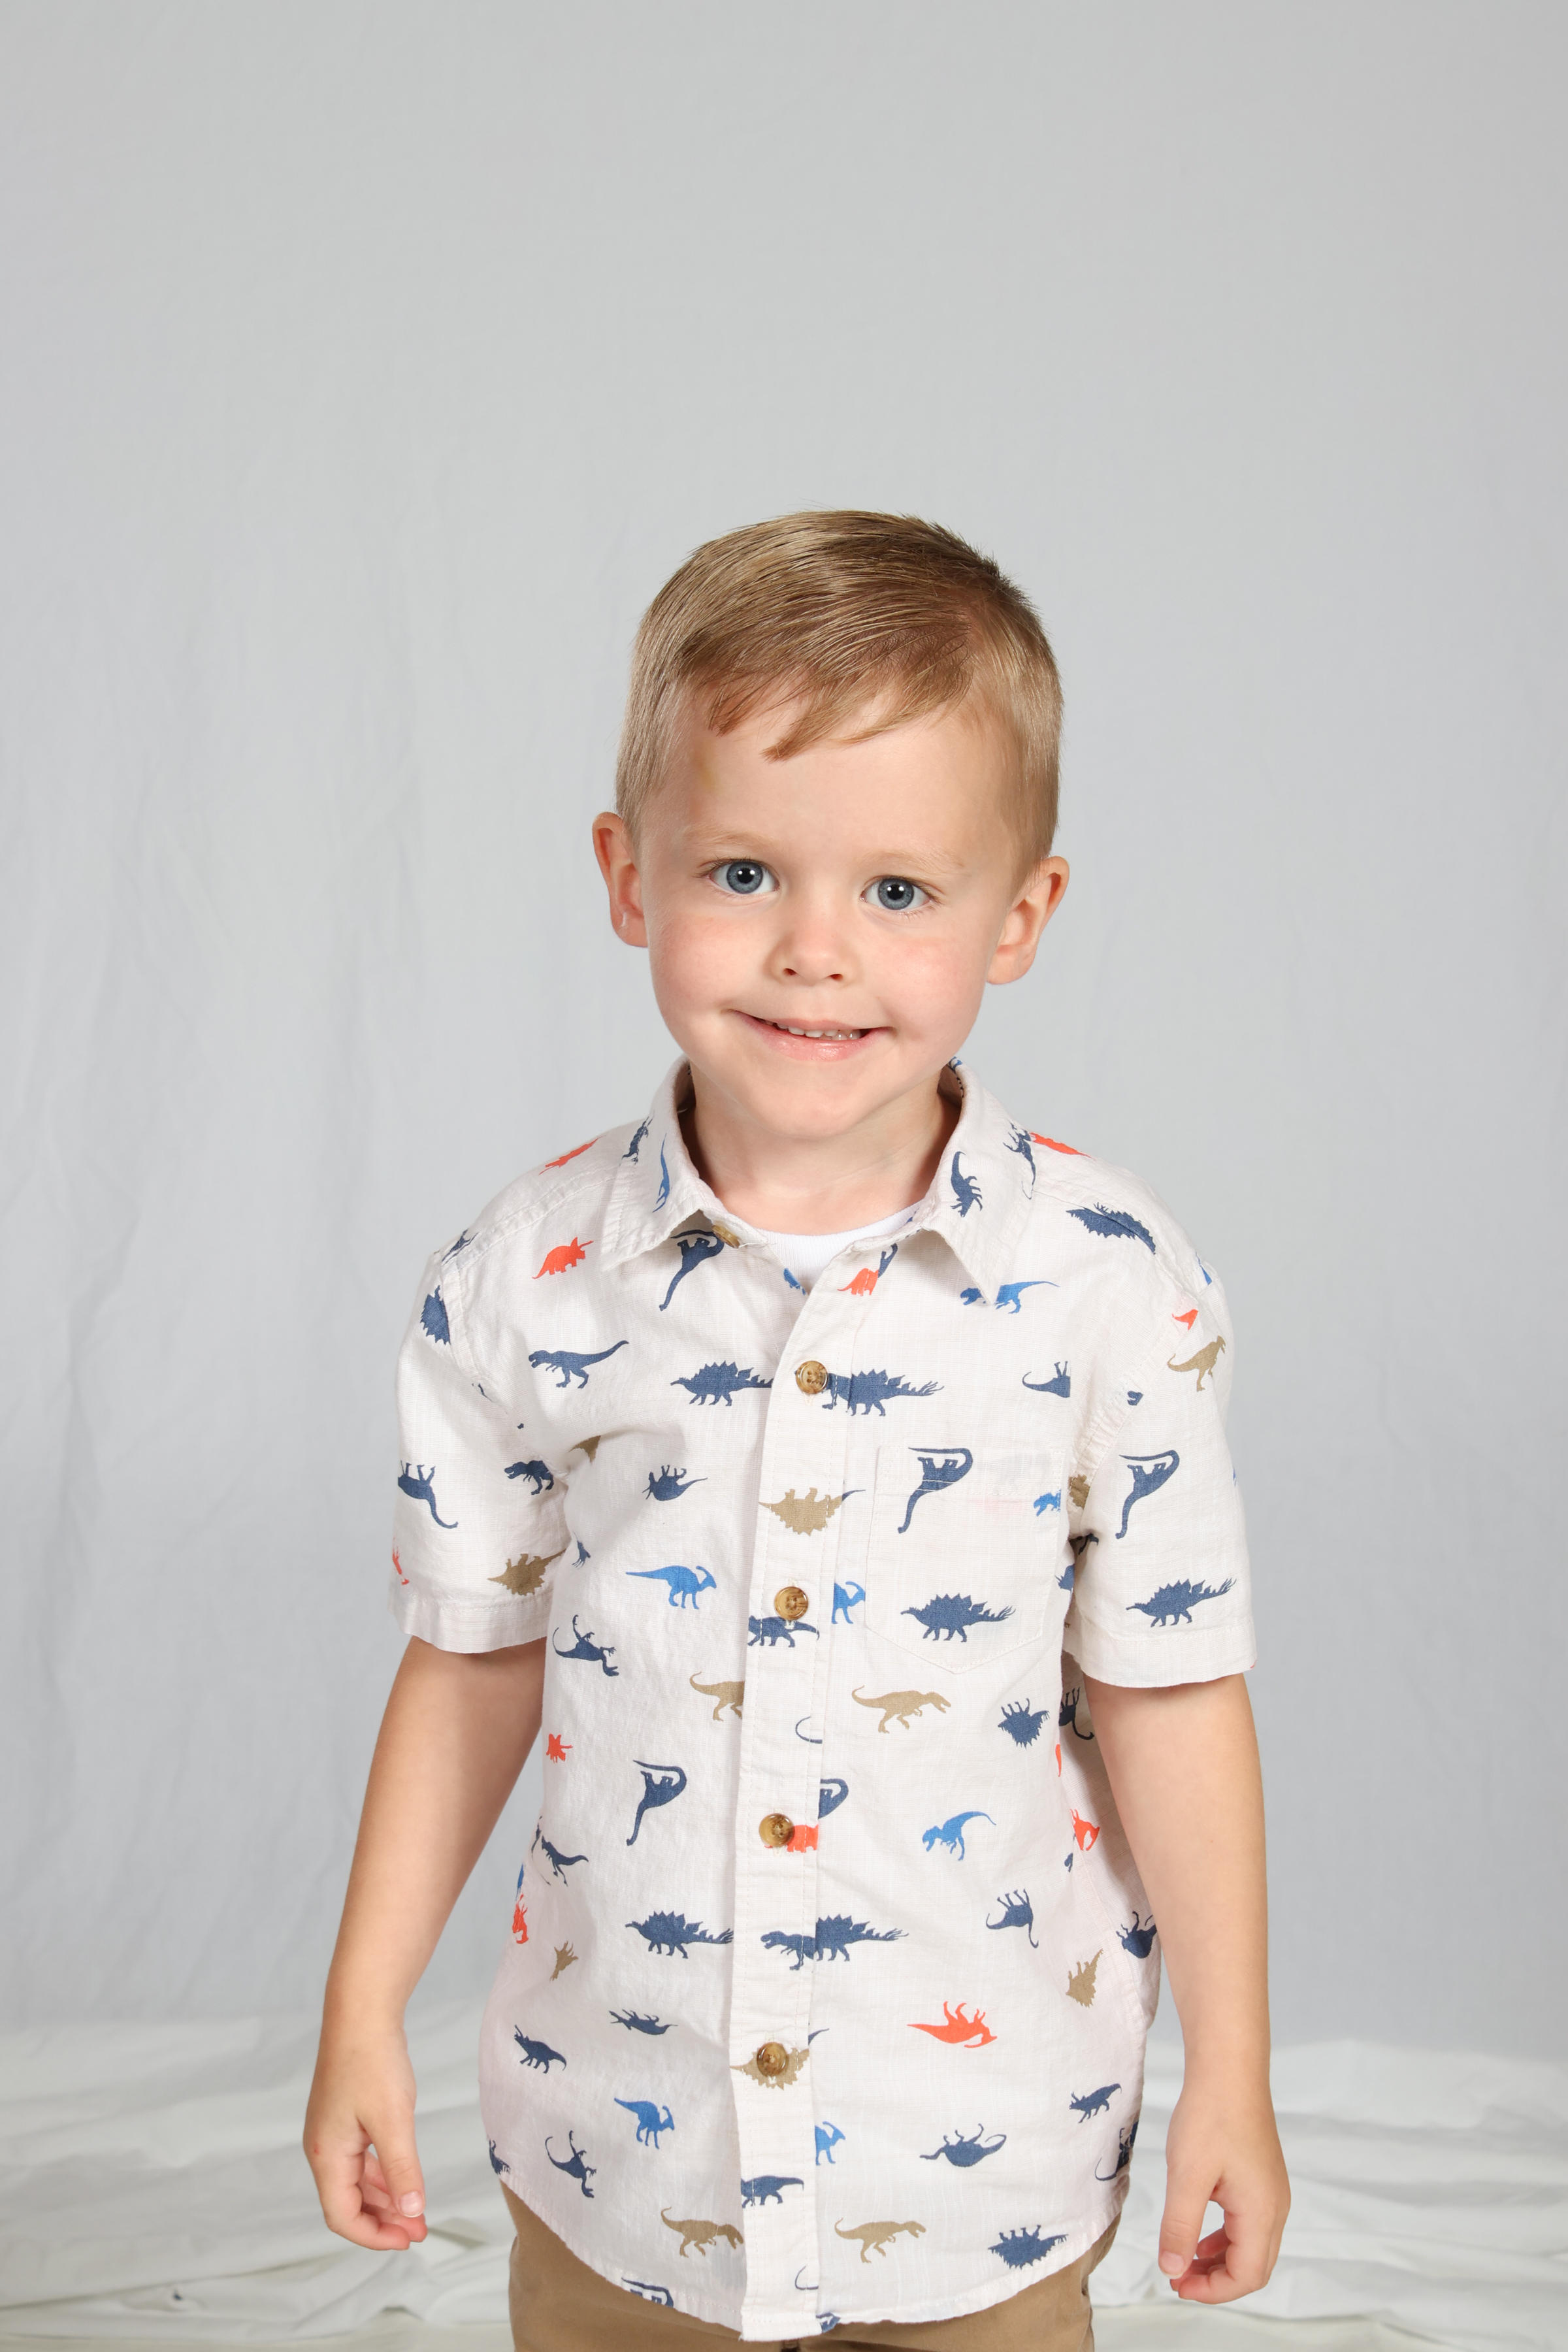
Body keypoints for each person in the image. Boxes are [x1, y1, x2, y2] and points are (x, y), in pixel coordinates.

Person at [304, 512, 1290, 2349]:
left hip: (979, 2178)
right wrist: (362, 2006)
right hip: (620, 2170)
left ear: (1020, 917)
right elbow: (469, 1659)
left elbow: (1169, 1682)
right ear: (629, 876)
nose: (816, 951)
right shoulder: (523, 1282)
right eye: (745, 871)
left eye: (900, 891)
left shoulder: (1112, 1287)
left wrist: (1233, 2065)